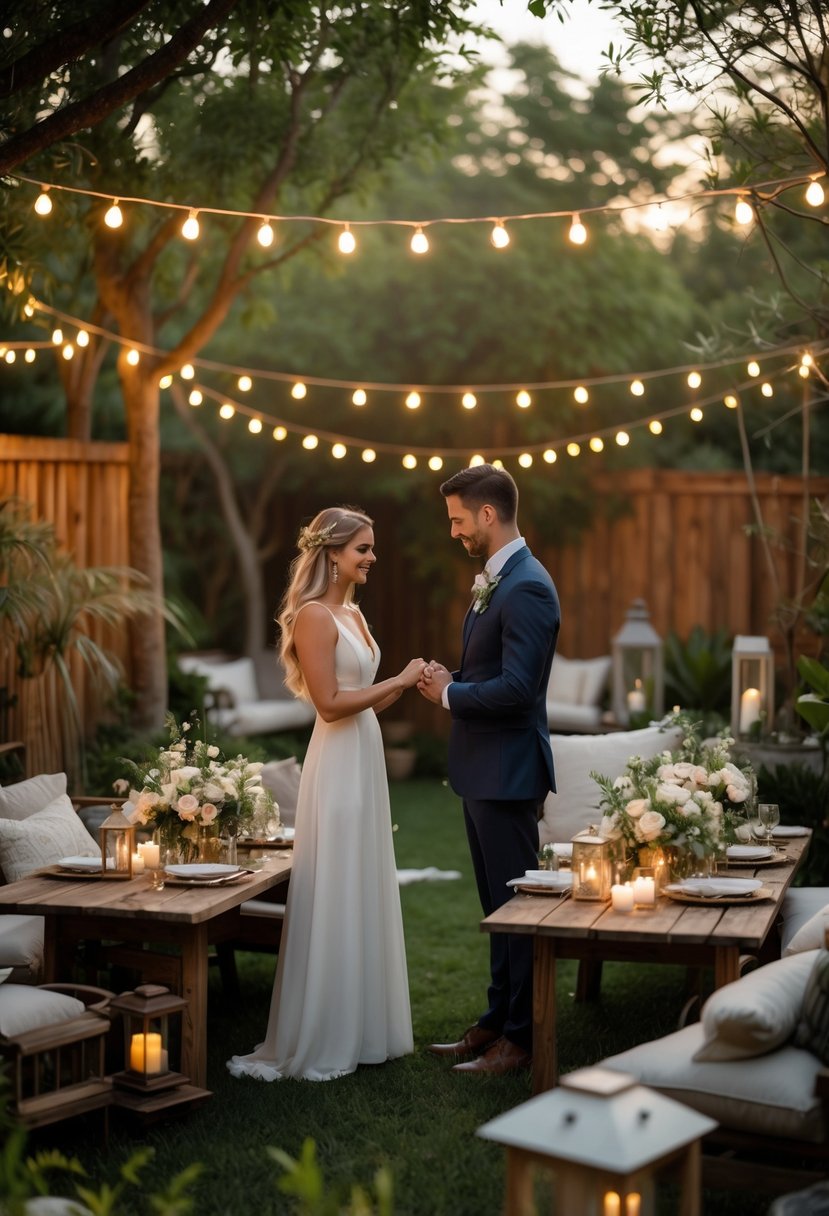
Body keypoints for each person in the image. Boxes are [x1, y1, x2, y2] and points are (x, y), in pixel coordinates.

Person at [227, 506, 425, 1082]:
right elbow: (330, 704)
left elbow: (366, 696)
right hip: (336, 759)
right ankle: (324, 1031)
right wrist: (400, 678)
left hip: (365, 754)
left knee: (363, 878)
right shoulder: (315, 616)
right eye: (362, 548)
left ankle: (366, 1028)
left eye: (372, 547)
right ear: (332, 553)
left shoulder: (354, 614)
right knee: (337, 881)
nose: (371, 557)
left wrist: (406, 685)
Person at [418, 464, 560, 1075]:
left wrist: (449, 696)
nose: (453, 532)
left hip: (507, 772)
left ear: (486, 514)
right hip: (483, 769)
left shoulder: (527, 585)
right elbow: (490, 671)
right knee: (498, 910)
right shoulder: (495, 582)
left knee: (518, 912)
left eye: (456, 519)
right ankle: (497, 1021)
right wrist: (454, 679)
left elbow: (520, 690)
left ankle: (523, 1040)